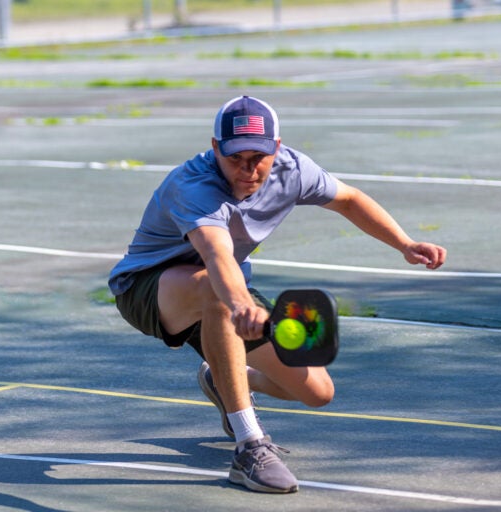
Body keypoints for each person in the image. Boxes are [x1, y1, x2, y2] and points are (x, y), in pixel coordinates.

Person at [107, 95, 447, 494]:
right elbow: (216, 255)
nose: (248, 170)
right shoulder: (194, 186)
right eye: (235, 158)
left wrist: (404, 244)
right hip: (149, 289)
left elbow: (350, 200)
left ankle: (225, 379)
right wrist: (240, 305)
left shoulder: (294, 169)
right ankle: (249, 445)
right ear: (215, 147)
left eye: (259, 157)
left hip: (224, 285)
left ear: (278, 148)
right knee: (216, 291)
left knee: (318, 392)